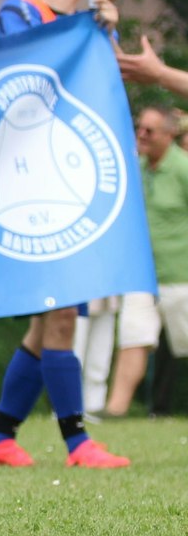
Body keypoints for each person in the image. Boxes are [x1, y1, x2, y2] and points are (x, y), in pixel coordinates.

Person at [0, 0, 130, 469]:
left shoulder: (92, 18)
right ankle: (77, 442)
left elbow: (104, 94)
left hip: (74, 178)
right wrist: (86, 26)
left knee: (49, 320)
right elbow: (27, 85)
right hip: (27, 184)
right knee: (62, 309)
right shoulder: (17, 13)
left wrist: (104, 28)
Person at [97, 106, 188, 416]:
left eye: (150, 130)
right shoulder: (134, 169)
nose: (142, 135)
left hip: (181, 275)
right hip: (142, 274)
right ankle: (116, 412)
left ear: (169, 134)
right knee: (134, 340)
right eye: (140, 128)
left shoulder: (183, 169)